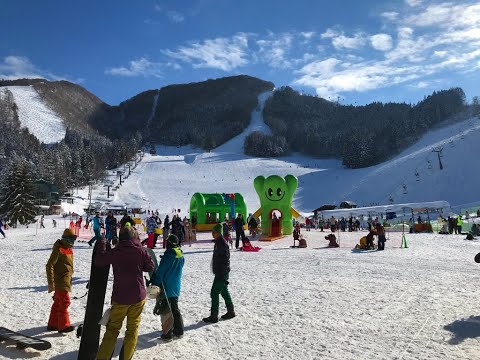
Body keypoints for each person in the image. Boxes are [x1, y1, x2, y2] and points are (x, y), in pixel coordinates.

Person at [95, 227, 154, 360]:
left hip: (120, 297)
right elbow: (150, 266)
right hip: (138, 296)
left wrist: (102, 242)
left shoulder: (117, 251)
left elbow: (99, 260)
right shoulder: (140, 250)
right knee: (132, 330)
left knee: (112, 330)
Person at [152, 234, 185, 340]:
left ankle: (168, 333)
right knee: (174, 307)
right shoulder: (180, 254)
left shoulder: (168, 255)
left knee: (166, 310)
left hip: (166, 286)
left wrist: (155, 283)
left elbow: (161, 272)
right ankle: (179, 330)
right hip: (175, 285)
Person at [203, 223, 235, 323]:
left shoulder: (222, 244)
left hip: (222, 273)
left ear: (218, 233)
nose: (212, 234)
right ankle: (231, 311)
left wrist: (221, 273)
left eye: (214, 232)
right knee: (223, 291)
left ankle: (214, 316)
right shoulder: (218, 242)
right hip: (220, 272)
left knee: (214, 292)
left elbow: (225, 260)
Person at [46, 229, 77, 333]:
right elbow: (49, 265)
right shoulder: (58, 249)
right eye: (72, 239)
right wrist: (51, 282)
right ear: (66, 239)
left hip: (65, 280)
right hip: (60, 281)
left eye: (74, 239)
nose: (73, 242)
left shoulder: (68, 249)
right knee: (64, 302)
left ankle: (53, 324)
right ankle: (63, 326)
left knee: (58, 302)